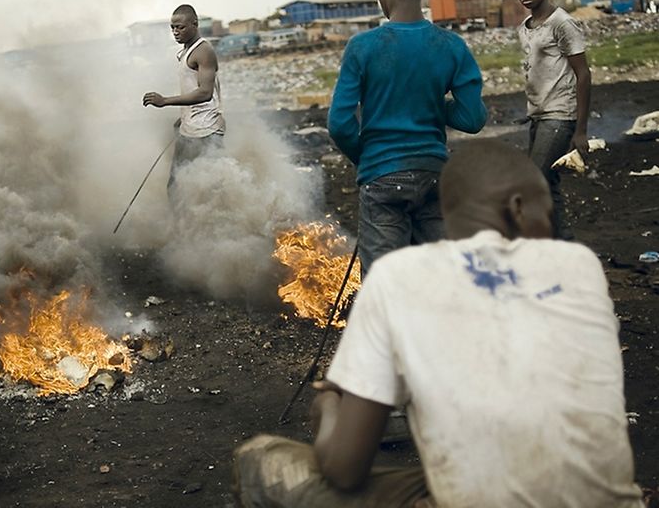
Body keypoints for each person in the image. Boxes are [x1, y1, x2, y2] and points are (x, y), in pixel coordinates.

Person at [233, 140, 644, 507]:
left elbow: (344, 470)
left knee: (260, 459)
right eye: (548, 213)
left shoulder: (397, 276)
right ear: (519, 208)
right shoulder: (580, 266)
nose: (550, 226)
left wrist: (328, 410)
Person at [327, 0, 487, 274]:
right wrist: (432, 104)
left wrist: (370, 159)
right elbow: (473, 119)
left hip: (382, 181)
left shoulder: (363, 47)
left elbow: (340, 125)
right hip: (434, 176)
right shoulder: (452, 46)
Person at [516, 0, 592, 240]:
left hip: (560, 116)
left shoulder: (562, 23)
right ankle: (564, 249)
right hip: (538, 116)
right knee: (549, 184)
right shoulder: (525, 27)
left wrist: (581, 131)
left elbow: (583, 75)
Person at [142, 4, 226, 191]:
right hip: (190, 128)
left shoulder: (203, 51)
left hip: (207, 130)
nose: (175, 31)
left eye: (180, 27)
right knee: (175, 185)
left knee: (211, 187)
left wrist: (164, 101)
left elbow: (205, 93)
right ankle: (182, 220)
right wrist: (184, 116)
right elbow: (192, 87)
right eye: (172, 27)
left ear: (194, 24)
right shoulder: (186, 51)